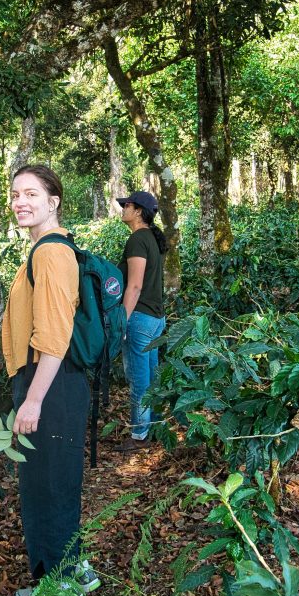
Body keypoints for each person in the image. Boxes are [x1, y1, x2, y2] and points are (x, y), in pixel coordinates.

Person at [2, 164, 99, 596]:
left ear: (53, 201)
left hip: (51, 383)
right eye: (16, 194)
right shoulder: (44, 250)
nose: (20, 202)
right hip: (49, 381)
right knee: (54, 479)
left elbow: (55, 337)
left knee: (46, 484)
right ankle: (74, 567)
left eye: (31, 194)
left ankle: (59, 585)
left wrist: (33, 400)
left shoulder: (51, 254)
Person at [116, 191, 168, 453]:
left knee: (139, 379)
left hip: (140, 319)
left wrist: (121, 321)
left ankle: (139, 435)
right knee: (151, 377)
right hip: (156, 319)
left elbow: (134, 286)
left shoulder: (137, 239)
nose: (123, 208)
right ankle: (154, 426)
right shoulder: (150, 238)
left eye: (126, 205)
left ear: (137, 211)